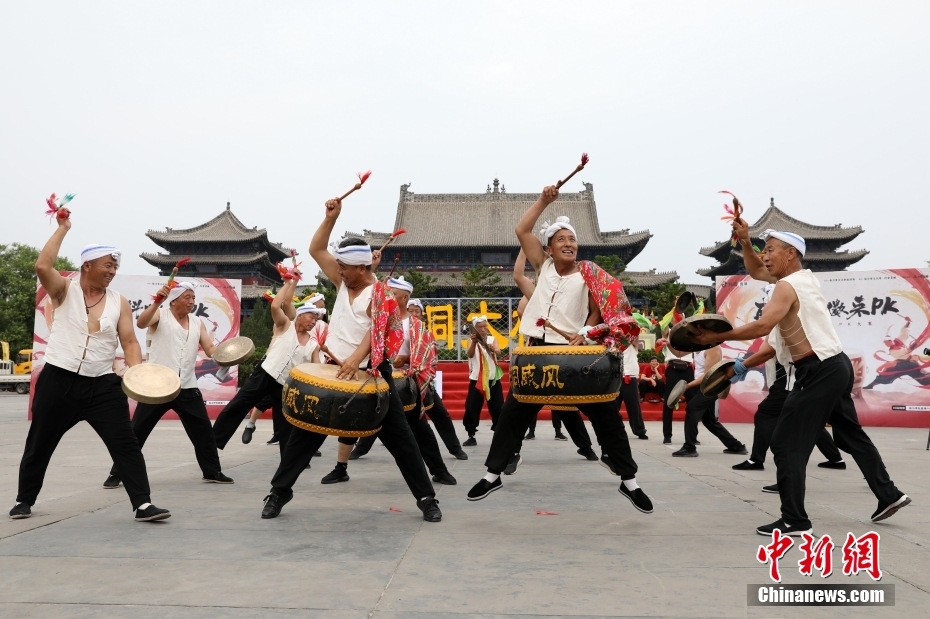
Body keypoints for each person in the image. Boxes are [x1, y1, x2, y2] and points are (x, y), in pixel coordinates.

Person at [692, 223, 909, 534]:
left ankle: (795, 519)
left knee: (785, 443)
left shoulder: (786, 287)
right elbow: (757, 278)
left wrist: (716, 337)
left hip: (817, 371)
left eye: (770, 250)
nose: (764, 257)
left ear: (790, 253)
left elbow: (761, 327)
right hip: (835, 366)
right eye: (764, 251)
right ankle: (889, 494)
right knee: (848, 435)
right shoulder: (803, 281)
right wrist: (746, 242)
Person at [466, 186, 652, 515]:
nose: (569, 243)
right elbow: (522, 230)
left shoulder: (589, 275)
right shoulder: (544, 267)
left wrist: (585, 331)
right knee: (512, 415)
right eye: (561, 239)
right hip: (537, 355)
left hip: (575, 357)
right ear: (549, 249)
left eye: (572, 239)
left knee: (607, 417)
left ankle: (630, 481)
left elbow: (598, 311)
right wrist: (544, 201)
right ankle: (492, 475)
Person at [260, 197, 441, 522]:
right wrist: (331, 217)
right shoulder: (343, 281)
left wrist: (355, 359)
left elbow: (378, 334)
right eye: (339, 266)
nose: (338, 270)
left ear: (362, 268)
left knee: (402, 440)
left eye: (344, 266)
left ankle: (427, 498)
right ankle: (278, 492)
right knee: (304, 436)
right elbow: (316, 249)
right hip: (333, 371)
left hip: (372, 374)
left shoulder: (381, 295)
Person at [10, 215, 169, 522]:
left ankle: (143, 504)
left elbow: (129, 341)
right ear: (87, 265)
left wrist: (137, 374)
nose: (112, 271)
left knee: (125, 443)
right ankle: (24, 500)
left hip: (102, 385)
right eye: (107, 265)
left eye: (115, 267)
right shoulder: (64, 290)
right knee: (40, 443)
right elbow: (42, 267)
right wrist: (63, 228)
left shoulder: (119, 302)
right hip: (59, 380)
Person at [324, 276, 456, 485]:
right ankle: (341, 467)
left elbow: (427, 356)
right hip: (374, 377)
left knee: (419, 428)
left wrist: (407, 360)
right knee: (353, 419)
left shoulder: (416, 326)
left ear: (404, 298)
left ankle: (439, 470)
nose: (387, 297)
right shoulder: (377, 319)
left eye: (393, 294)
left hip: (404, 384)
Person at [102, 281, 233, 489]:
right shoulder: (160, 315)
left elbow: (209, 348)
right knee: (137, 432)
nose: (191, 301)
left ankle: (212, 471)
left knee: (203, 431)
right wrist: (157, 301)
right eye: (187, 297)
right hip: (158, 386)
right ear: (173, 300)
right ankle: (116, 473)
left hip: (187, 386)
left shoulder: (197, 322)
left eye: (193, 298)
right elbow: (141, 323)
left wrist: (227, 355)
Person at [212, 274, 317, 457]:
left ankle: (289, 460)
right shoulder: (285, 325)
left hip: (285, 384)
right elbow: (277, 305)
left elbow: (316, 369)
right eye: (311, 317)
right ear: (300, 316)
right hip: (265, 373)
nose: (314, 321)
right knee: (238, 405)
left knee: (287, 422)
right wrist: (287, 283)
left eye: (316, 319)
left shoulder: (313, 344)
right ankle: (212, 443)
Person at [351, 298, 468, 461]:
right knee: (381, 412)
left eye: (416, 311)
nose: (413, 313)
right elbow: (379, 349)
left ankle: (455, 448)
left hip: (418, 378)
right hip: (392, 378)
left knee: (439, 413)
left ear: (421, 314)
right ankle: (361, 449)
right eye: (410, 310)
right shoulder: (392, 326)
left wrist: (406, 359)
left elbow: (428, 356)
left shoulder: (424, 331)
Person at [670, 345, 748, 457]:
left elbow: (709, 375)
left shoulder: (712, 348)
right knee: (709, 420)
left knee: (692, 408)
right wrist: (667, 343)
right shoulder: (697, 346)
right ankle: (736, 446)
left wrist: (687, 387)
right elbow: (679, 353)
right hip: (701, 386)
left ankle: (689, 447)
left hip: (712, 386)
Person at [461, 316, 504, 446]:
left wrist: (493, 349)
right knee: (471, 407)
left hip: (492, 379)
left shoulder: (492, 339)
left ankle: (499, 435)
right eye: (480, 327)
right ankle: (471, 435)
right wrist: (474, 342)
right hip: (477, 379)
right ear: (475, 329)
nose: (483, 329)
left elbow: (499, 351)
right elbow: (469, 354)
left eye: (485, 326)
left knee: (498, 408)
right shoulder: (471, 340)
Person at [660, 345, 693, 444]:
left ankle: (692, 436)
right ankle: (667, 435)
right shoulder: (669, 336)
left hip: (688, 368)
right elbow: (664, 335)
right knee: (668, 403)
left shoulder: (691, 336)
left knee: (692, 403)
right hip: (672, 367)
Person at [620, 344, 648, 439]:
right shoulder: (611, 343)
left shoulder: (632, 345)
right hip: (615, 377)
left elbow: (635, 335)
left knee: (633, 406)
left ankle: (639, 430)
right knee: (612, 407)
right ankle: (613, 429)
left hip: (629, 377)